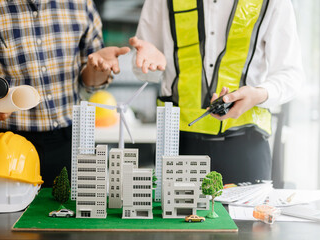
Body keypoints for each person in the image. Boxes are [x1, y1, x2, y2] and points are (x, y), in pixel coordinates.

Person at [0, 0, 130, 187]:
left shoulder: (81, 3)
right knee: (2, 221)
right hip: (4, 147)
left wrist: (99, 69)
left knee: (67, 218)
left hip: (69, 142)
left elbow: (90, 81)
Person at [127, 0, 305, 183]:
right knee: (174, 210)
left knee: (249, 213)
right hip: (177, 144)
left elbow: (290, 74)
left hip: (246, 148)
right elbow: (143, 69)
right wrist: (147, 64)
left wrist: (259, 94)